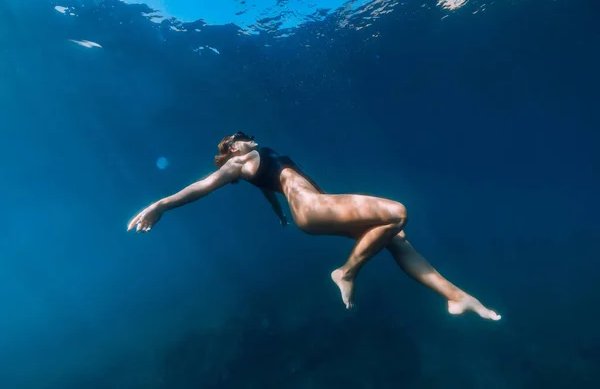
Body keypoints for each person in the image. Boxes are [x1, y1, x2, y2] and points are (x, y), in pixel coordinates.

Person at [127, 132, 501, 321]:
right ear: (230, 152)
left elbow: (269, 190)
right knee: (397, 212)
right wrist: (161, 204)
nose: (243, 140)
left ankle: (456, 297)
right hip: (316, 208)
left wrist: (277, 212)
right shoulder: (236, 165)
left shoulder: (255, 163)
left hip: (320, 207)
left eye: (242, 137)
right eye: (234, 142)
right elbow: (203, 186)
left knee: (396, 238)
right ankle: (346, 272)